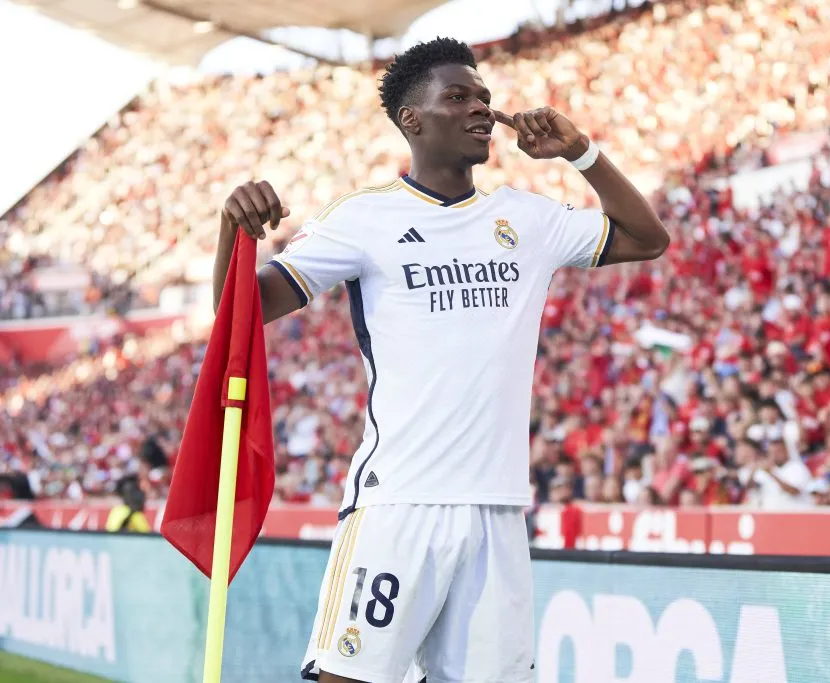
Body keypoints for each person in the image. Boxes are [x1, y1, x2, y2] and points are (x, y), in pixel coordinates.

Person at [212, 38, 669, 683]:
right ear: (411, 119)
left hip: (498, 507)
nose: (481, 108)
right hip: (400, 501)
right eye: (457, 96)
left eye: (484, 96)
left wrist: (581, 153)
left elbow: (648, 239)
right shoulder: (365, 217)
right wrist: (232, 233)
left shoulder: (526, 218)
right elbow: (239, 316)